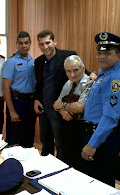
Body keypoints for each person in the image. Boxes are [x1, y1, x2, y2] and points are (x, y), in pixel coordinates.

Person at [34, 30, 96, 161]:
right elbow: (39, 84)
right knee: (46, 143)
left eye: (48, 43)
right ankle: (46, 171)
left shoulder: (68, 55)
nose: (45, 47)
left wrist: (93, 74)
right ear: (38, 45)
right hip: (45, 110)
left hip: (62, 110)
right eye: (41, 44)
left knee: (62, 145)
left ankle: (61, 171)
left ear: (54, 42)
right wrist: (36, 99)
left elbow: (83, 71)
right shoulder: (38, 61)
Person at [81, 32, 120, 187]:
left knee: (100, 182)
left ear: (119, 56)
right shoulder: (105, 73)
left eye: (107, 54)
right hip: (99, 133)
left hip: (104, 137)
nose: (101, 57)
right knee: (94, 179)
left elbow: (109, 118)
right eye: (99, 53)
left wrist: (92, 144)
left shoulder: (115, 80)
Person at [53, 55, 93, 171]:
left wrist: (63, 106)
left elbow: (80, 108)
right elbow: (56, 104)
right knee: (66, 160)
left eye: (76, 70)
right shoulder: (68, 83)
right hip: (68, 126)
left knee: (79, 165)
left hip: (83, 129)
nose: (72, 75)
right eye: (69, 71)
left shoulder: (89, 83)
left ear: (83, 69)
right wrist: (63, 112)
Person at [3, 31, 36, 147]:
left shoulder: (33, 62)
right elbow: (5, 87)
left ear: (30, 43)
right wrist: (11, 111)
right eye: (21, 43)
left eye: (26, 43)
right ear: (16, 44)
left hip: (30, 103)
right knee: (14, 140)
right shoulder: (11, 62)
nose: (24, 46)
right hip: (17, 102)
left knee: (28, 138)